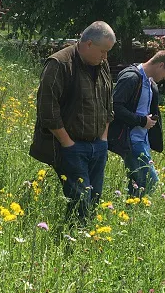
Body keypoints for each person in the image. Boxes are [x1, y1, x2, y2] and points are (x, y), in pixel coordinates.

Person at [29, 21, 115, 222]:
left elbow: (108, 103)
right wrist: (68, 144)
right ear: (88, 44)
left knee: (94, 199)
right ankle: (74, 244)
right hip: (71, 146)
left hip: (98, 145)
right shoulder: (59, 64)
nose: (105, 57)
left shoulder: (102, 64)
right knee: (80, 203)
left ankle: (88, 237)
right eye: (103, 51)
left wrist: (103, 139)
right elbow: (47, 110)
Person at [108, 50, 165, 195]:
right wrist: (141, 120)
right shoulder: (131, 77)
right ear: (161, 65)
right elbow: (115, 106)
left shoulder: (150, 82)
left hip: (142, 140)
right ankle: (137, 211)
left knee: (137, 185)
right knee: (151, 183)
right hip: (131, 140)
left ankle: (130, 213)